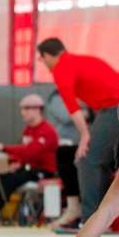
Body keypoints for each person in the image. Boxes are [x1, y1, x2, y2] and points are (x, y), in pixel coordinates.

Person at [37, 37, 119, 223]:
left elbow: (72, 107)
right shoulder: (82, 60)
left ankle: (91, 219)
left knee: (86, 159)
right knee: (100, 160)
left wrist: (85, 135)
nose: (44, 64)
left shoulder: (61, 68)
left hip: (116, 110)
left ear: (46, 55)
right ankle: (103, 214)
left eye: (42, 59)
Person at [0, 94, 58, 226]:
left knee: (13, 178)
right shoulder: (28, 130)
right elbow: (24, 153)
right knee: (3, 176)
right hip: (29, 168)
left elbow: (30, 151)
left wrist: (4, 148)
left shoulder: (47, 131)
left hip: (44, 171)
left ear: (38, 109)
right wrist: (18, 163)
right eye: (22, 109)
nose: (22, 112)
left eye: (26, 108)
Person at [45, 89, 83, 228]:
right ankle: (74, 208)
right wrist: (84, 109)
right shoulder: (57, 97)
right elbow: (67, 116)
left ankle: (78, 209)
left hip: (83, 145)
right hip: (69, 145)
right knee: (65, 155)